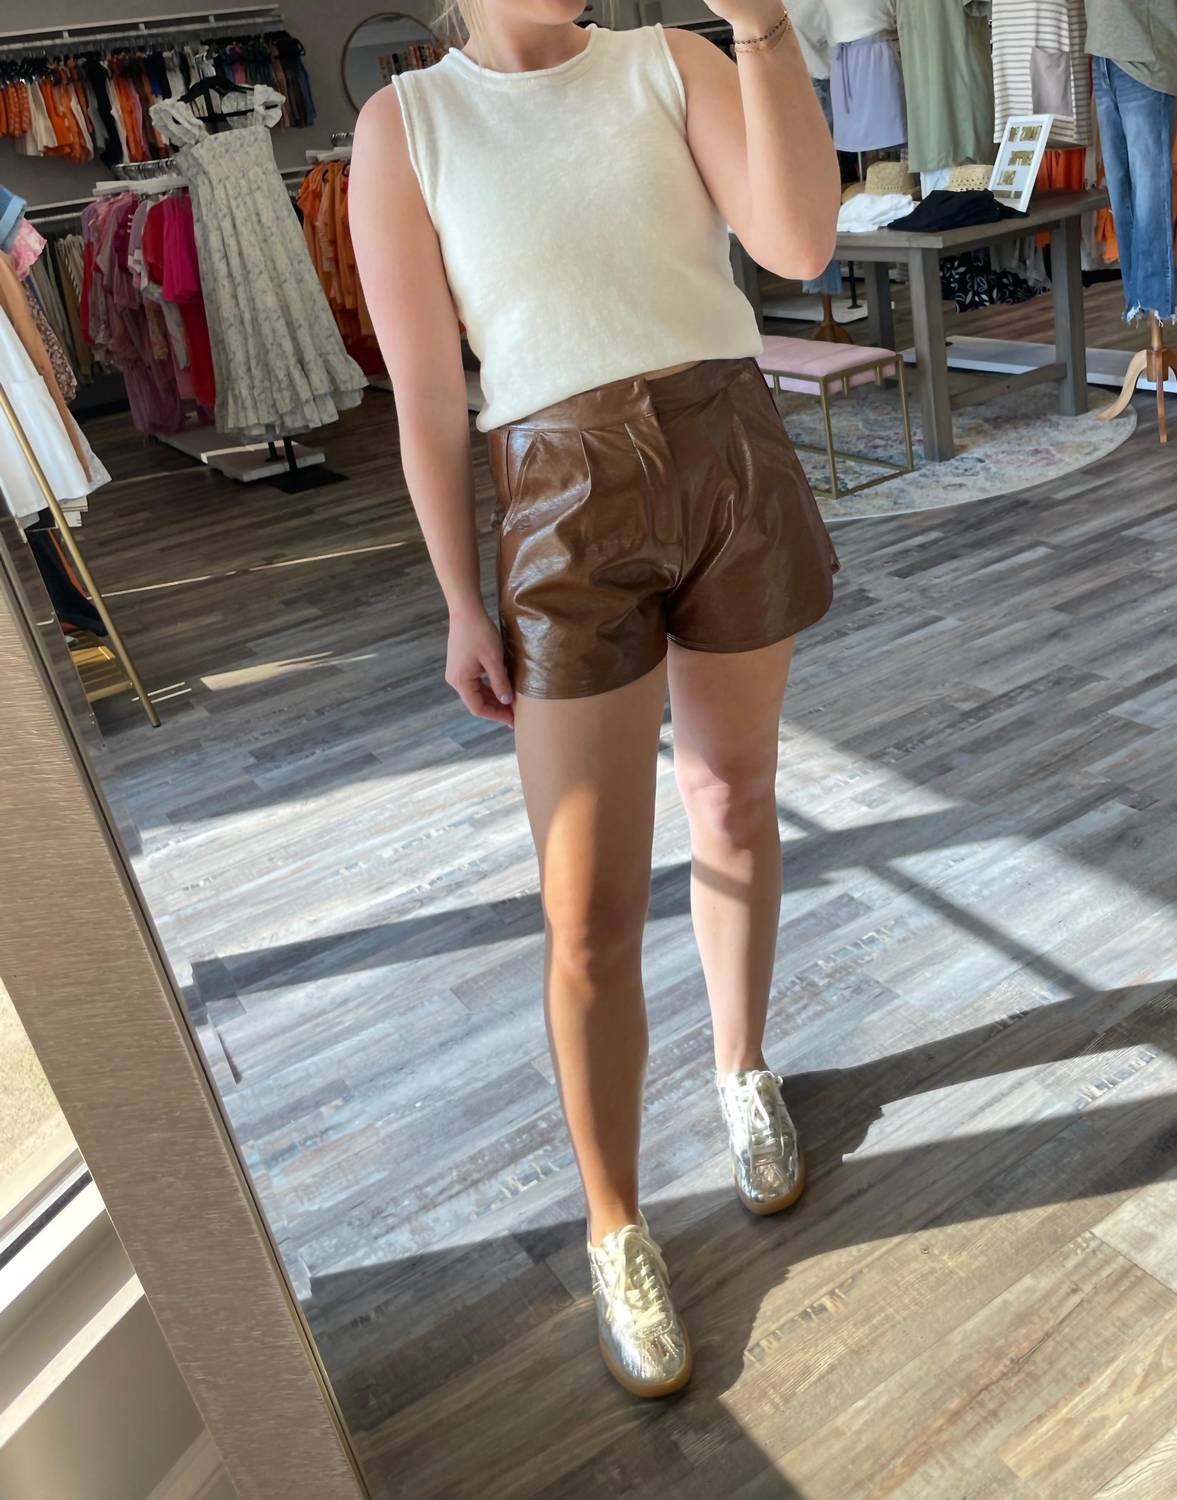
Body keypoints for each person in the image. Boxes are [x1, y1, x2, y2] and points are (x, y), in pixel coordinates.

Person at [349, 0, 842, 1398]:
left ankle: (742, 1070)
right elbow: (426, 398)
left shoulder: (670, 60)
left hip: (728, 456)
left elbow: (798, 245)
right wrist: (461, 598)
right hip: (558, 501)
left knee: (734, 797)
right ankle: (616, 1222)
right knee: (587, 911)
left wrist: (764, 29)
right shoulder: (407, 126)